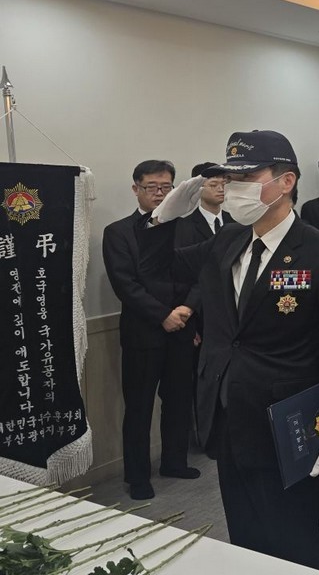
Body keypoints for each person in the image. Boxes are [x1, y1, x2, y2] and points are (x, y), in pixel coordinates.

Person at [141, 130, 319, 568]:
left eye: (248, 177)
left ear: (286, 181)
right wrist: (162, 220)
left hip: (289, 422)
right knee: (245, 538)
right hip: (229, 414)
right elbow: (155, 270)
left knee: (293, 541)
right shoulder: (227, 240)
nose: (235, 187)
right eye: (231, 178)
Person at [101, 160, 199, 501]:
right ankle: (138, 476)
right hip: (143, 334)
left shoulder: (186, 228)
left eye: (166, 187)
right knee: (139, 407)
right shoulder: (118, 232)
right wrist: (162, 316)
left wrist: (187, 308)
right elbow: (125, 284)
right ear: (136, 189)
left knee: (178, 400)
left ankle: (174, 461)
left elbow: (201, 274)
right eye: (151, 187)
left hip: (182, 328)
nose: (159, 193)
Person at [173, 162, 233, 442]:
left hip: (233, 314)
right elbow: (186, 277)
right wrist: (192, 320)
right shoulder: (184, 226)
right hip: (201, 316)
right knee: (204, 380)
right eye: (213, 184)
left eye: (224, 183)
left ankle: (229, 431)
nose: (220, 189)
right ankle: (207, 437)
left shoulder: (236, 223)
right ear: (199, 188)